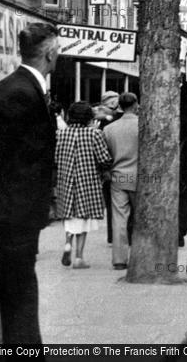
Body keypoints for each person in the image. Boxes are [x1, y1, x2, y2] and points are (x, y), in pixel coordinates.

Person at [0, 22, 59, 344]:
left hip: (19, 215)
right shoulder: (20, 93)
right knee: (19, 292)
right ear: (49, 53)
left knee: (20, 291)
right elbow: (18, 162)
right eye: (58, 50)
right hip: (15, 217)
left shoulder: (18, 88)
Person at [55, 101, 112, 269]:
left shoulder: (61, 134)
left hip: (66, 180)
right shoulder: (94, 134)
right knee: (84, 218)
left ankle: (67, 243)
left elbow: (56, 158)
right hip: (87, 181)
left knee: (70, 215)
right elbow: (103, 158)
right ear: (89, 117)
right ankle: (79, 257)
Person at [104, 92, 139, 269]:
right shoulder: (143, 126)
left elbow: (106, 155)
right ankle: (140, 256)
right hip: (139, 176)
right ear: (135, 105)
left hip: (118, 176)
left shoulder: (109, 129)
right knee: (141, 217)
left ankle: (119, 259)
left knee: (119, 219)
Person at [95, 90, 123, 244]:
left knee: (111, 203)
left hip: (108, 169)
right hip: (118, 166)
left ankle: (112, 235)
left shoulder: (100, 121)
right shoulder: (114, 119)